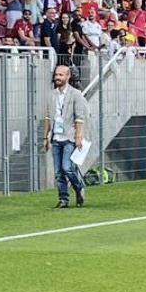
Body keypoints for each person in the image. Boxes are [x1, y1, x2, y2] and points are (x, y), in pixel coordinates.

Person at [42, 61, 88, 209]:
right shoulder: (51, 95)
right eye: (56, 74)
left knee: (67, 167)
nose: (57, 77)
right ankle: (63, 199)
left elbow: (79, 117)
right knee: (58, 172)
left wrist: (79, 137)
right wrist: (46, 136)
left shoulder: (76, 94)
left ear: (68, 77)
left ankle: (78, 187)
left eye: (61, 75)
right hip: (56, 137)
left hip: (69, 136)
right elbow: (49, 116)